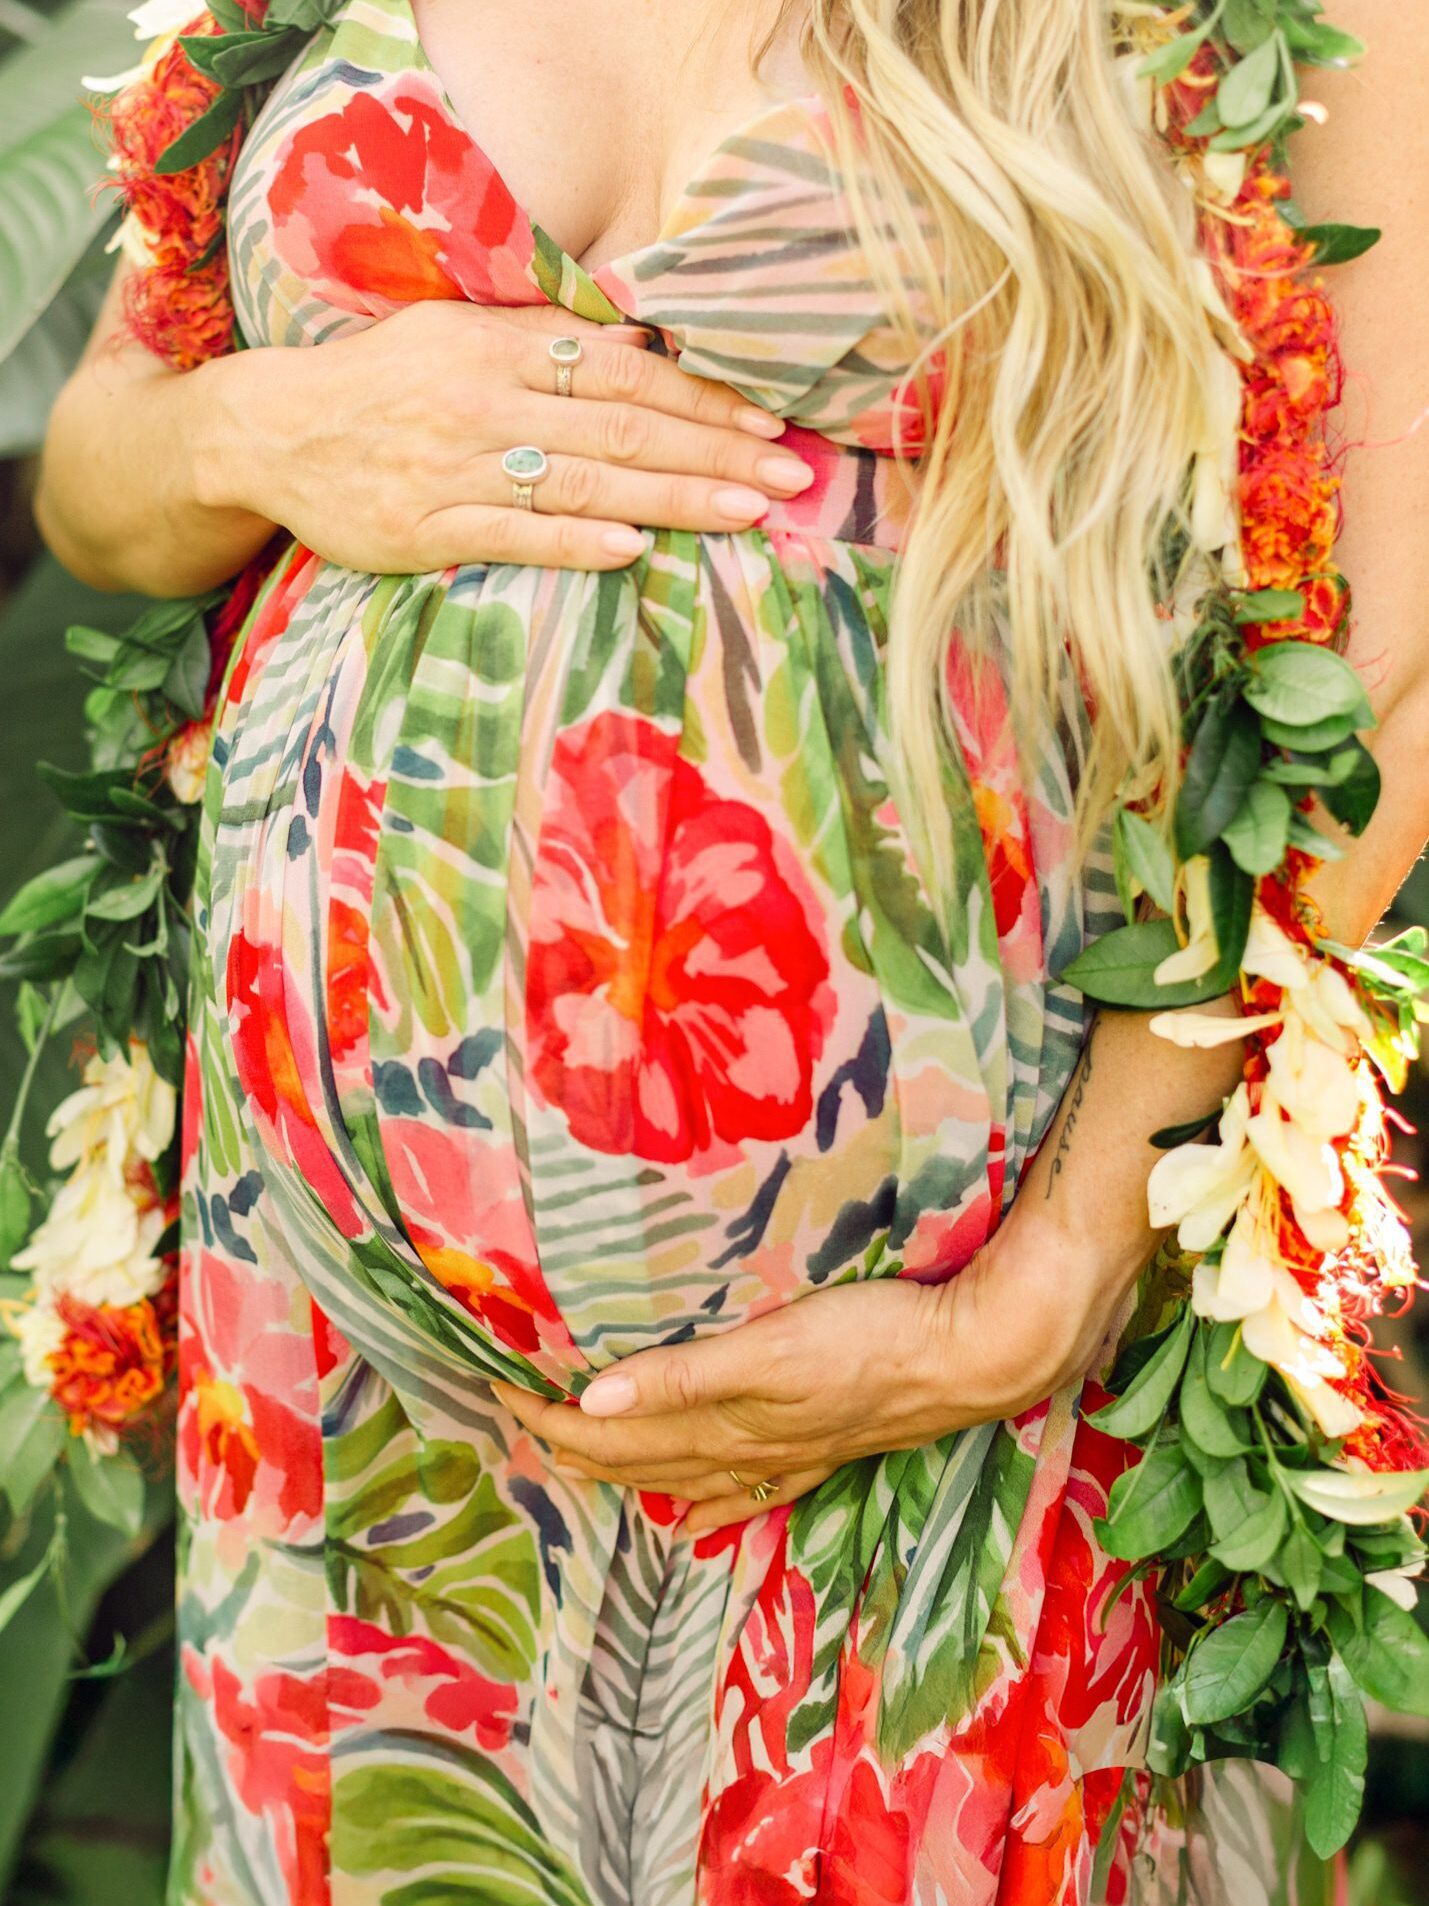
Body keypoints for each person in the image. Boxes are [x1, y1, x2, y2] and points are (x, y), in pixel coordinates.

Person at [31, 0, 1429, 1900]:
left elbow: (1377, 663)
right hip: (337, 1380)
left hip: (950, 1380)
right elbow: (104, 480)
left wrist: (1054, 1275)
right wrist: (271, 427)